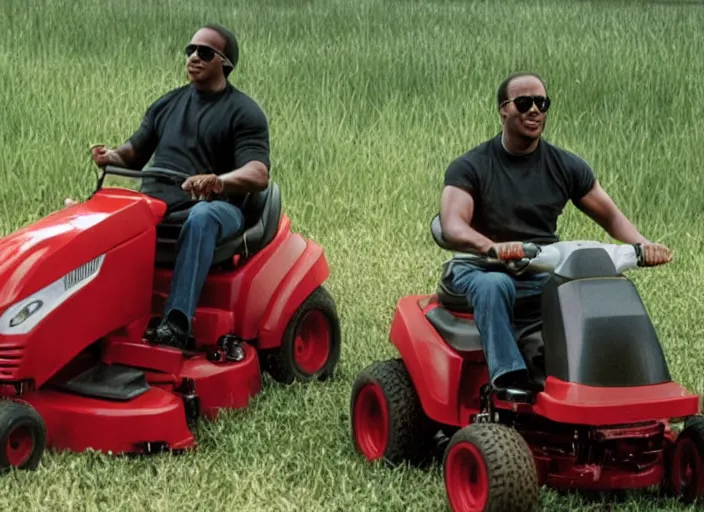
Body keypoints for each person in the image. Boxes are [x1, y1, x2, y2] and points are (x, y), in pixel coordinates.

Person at [439, 71, 673, 394]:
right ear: (503, 109)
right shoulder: (472, 166)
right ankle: (510, 383)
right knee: (495, 285)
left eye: (541, 102)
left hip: (539, 266)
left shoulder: (565, 166)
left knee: (597, 284)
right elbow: (452, 225)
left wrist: (643, 246)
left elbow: (611, 215)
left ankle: (615, 378)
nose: (534, 110)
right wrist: (492, 247)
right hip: (480, 267)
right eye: (524, 103)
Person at [73, 24, 270, 350]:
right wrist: (111, 156)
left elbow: (258, 173)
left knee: (202, 216)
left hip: (218, 208)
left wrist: (217, 181)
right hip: (158, 202)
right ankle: (93, 316)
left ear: (225, 63)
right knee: (97, 216)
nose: (194, 57)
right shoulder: (167, 104)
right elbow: (132, 155)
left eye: (205, 53)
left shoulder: (244, 112)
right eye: (190, 50)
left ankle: (178, 324)